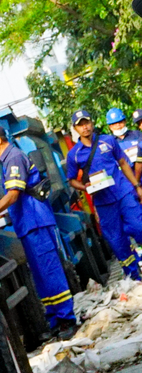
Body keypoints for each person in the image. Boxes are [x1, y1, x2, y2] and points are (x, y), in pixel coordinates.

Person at [0, 123, 77, 340]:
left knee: (50, 271)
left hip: (36, 222)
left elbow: (13, 195)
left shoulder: (14, 158)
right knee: (41, 274)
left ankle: (67, 318)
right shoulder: (8, 159)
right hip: (29, 224)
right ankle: (56, 320)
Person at [65, 110, 142, 282]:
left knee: (138, 226)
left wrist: (136, 186)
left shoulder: (108, 140)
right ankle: (135, 277)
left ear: (92, 123)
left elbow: (123, 162)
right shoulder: (74, 154)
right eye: (80, 125)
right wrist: (85, 187)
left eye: (86, 122)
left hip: (123, 192)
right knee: (117, 241)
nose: (85, 127)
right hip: (103, 202)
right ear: (75, 129)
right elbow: (71, 180)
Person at [107, 107, 142, 181]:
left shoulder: (137, 135)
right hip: (124, 180)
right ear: (110, 127)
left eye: (120, 122)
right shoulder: (110, 143)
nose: (118, 126)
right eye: (114, 124)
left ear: (125, 122)